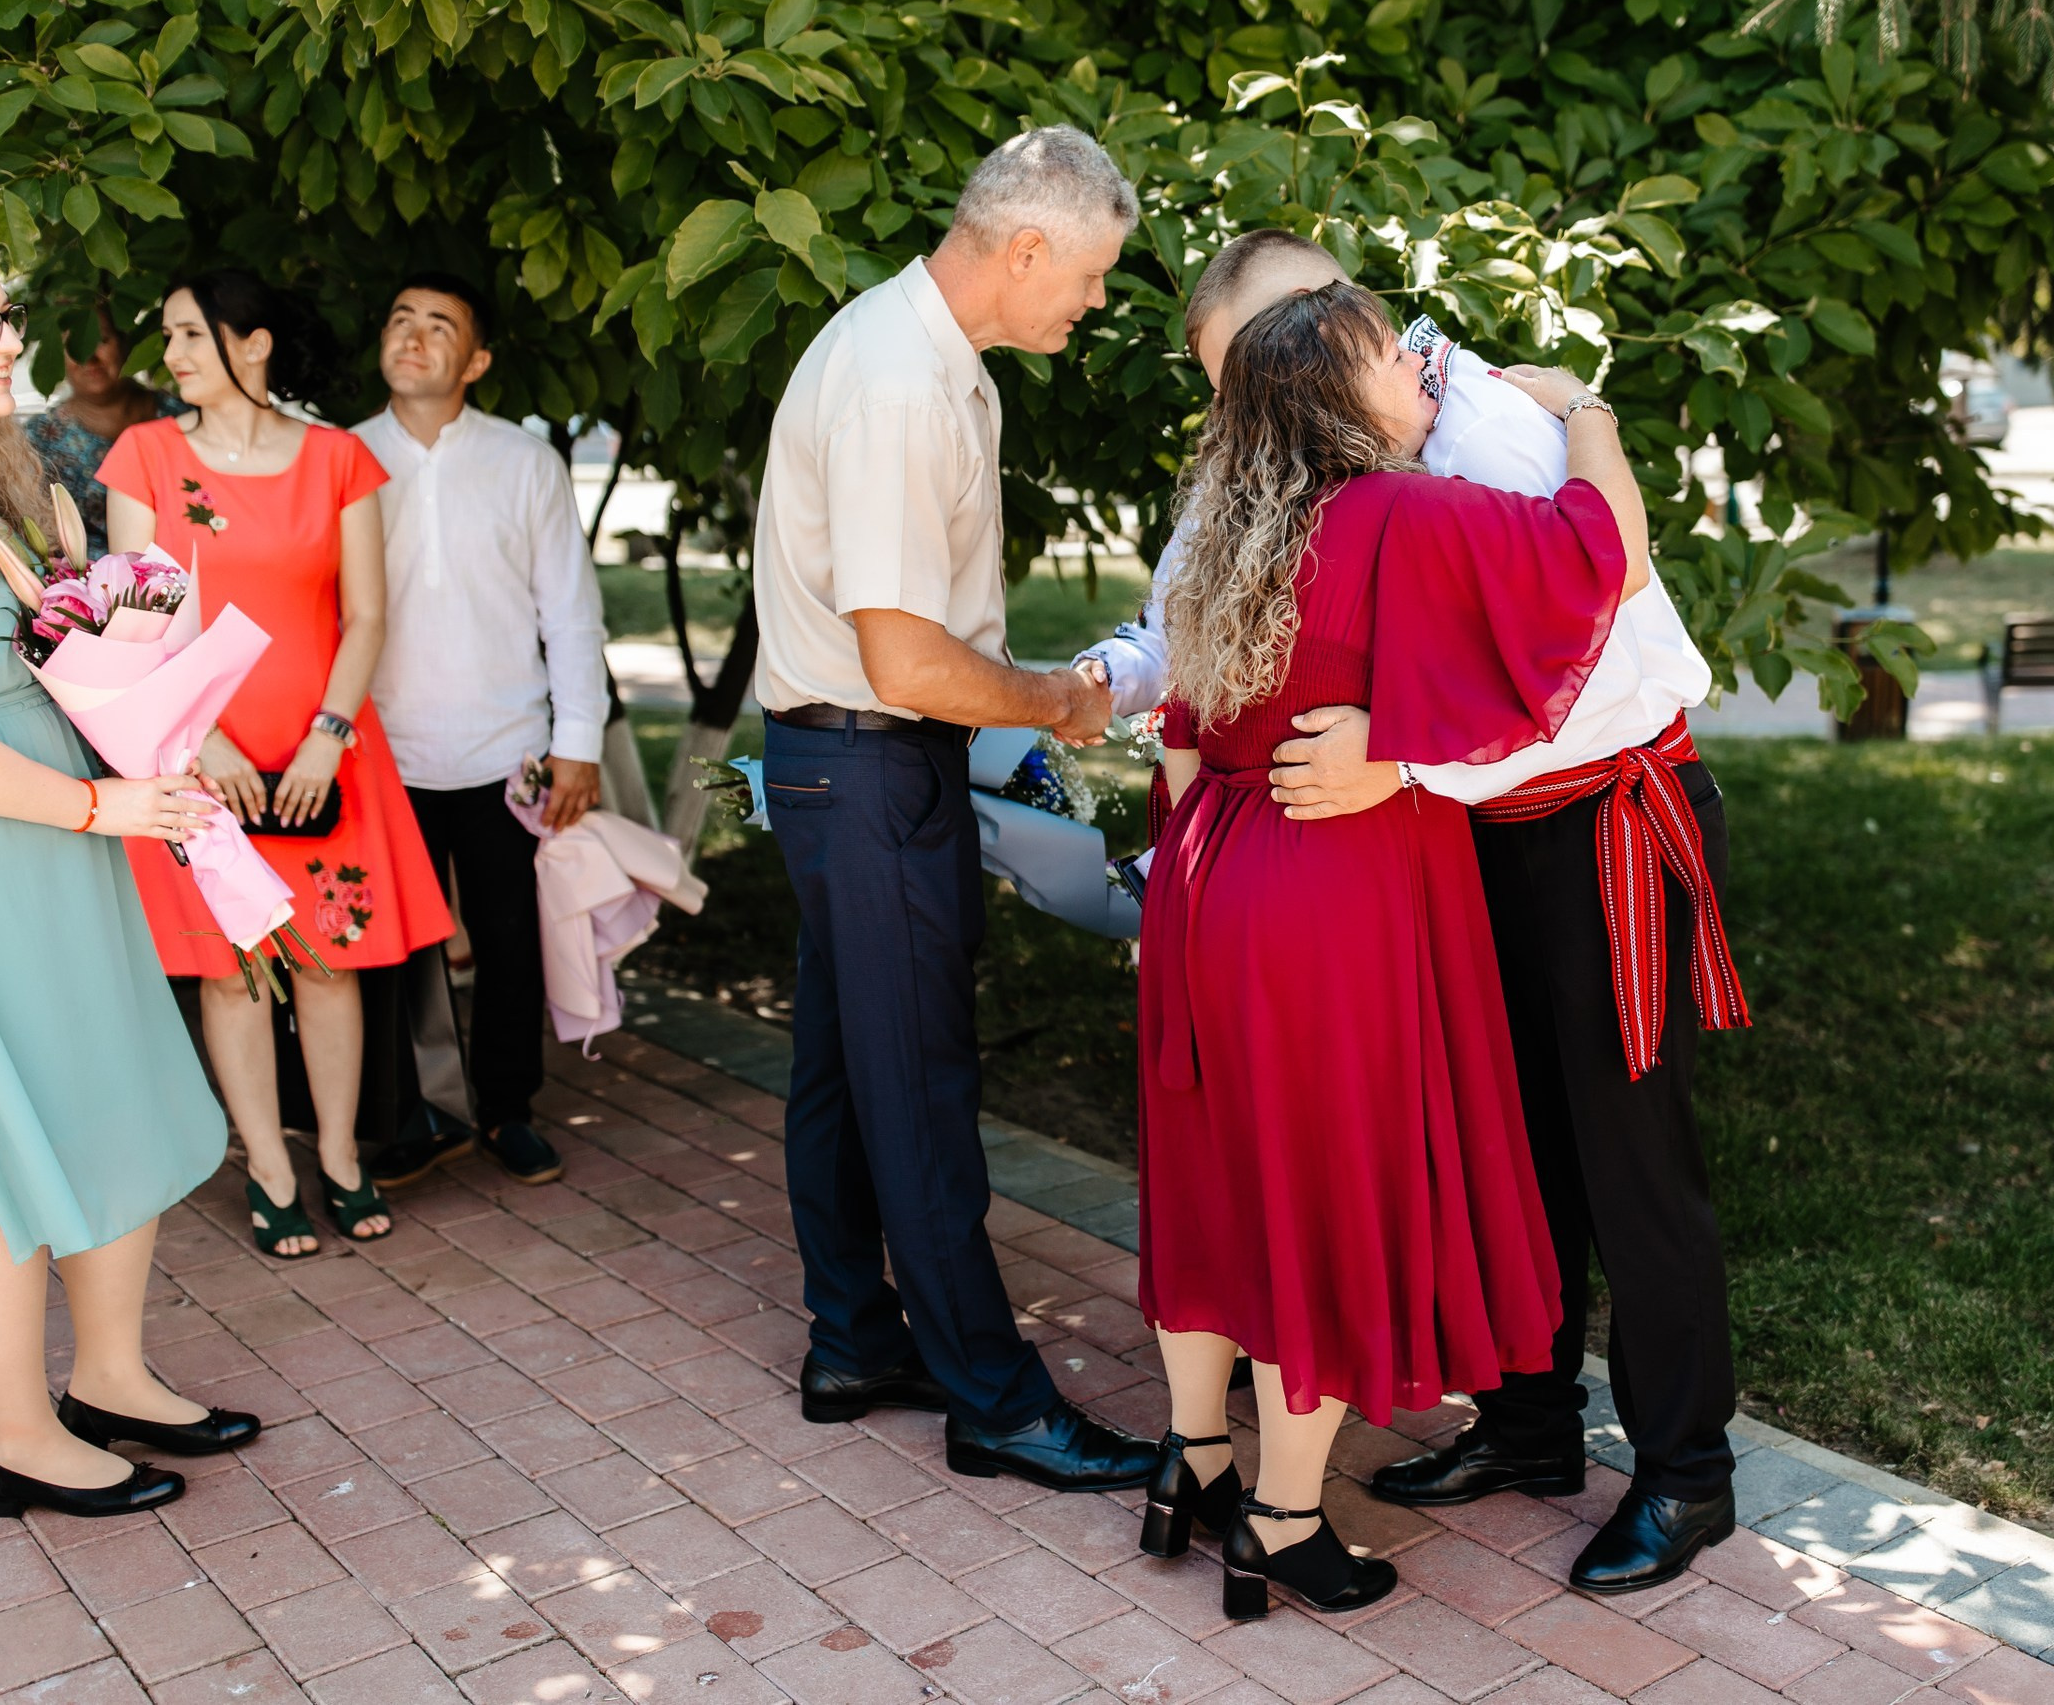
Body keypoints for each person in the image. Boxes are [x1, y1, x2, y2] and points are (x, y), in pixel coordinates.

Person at [1088, 231, 1748, 1596]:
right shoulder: (1307, 471)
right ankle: (1529, 1426)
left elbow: (1601, 655)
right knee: (1511, 1138)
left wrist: (1396, 756)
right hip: (1451, 846)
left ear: (1327, 329)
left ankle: (1687, 1473)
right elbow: (1193, 625)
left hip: (1595, 819)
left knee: (1631, 1156)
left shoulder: (1498, 433)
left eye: (1260, 372)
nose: (1243, 416)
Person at [749, 125, 1155, 1492]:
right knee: (918, 1077)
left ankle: (856, 1337)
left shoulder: (919, 356)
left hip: (837, 761)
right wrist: (1058, 700)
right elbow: (908, 660)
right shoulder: (902, 387)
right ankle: (995, 1395)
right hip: (869, 758)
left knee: (842, 1061)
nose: (1092, 305)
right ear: (1025, 247)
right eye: (1089, 276)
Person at [0, 221, 258, 1522]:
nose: (12, 341)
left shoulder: (6, 477)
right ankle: (20, 1432)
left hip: (74, 849)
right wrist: (96, 799)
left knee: (110, 1086)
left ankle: (112, 1373)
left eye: (8, 315)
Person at [101, 270, 451, 1260]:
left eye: (189, 338)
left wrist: (325, 735)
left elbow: (366, 614)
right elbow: (137, 620)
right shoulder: (146, 457)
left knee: (333, 963)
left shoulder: (339, 460)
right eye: (166, 339)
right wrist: (203, 741)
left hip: (323, 751)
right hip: (198, 753)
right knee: (234, 974)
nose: (168, 359)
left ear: (251, 346)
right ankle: (268, 1165)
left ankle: (339, 1156)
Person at [355, 271, 608, 1190]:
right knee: (395, 950)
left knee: (509, 943)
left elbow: (570, 612)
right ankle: (413, 1116)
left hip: (508, 751)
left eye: (439, 326)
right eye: (400, 318)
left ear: (479, 359)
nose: (413, 337)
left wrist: (578, 740)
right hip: (379, 753)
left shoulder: (524, 463)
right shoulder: (342, 460)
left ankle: (506, 1109)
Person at [23, 309, 187, 558]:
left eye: (100, 340)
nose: (89, 357)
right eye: (72, 345)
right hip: (97, 587)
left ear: (125, 343)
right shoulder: (40, 438)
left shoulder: (181, 415)